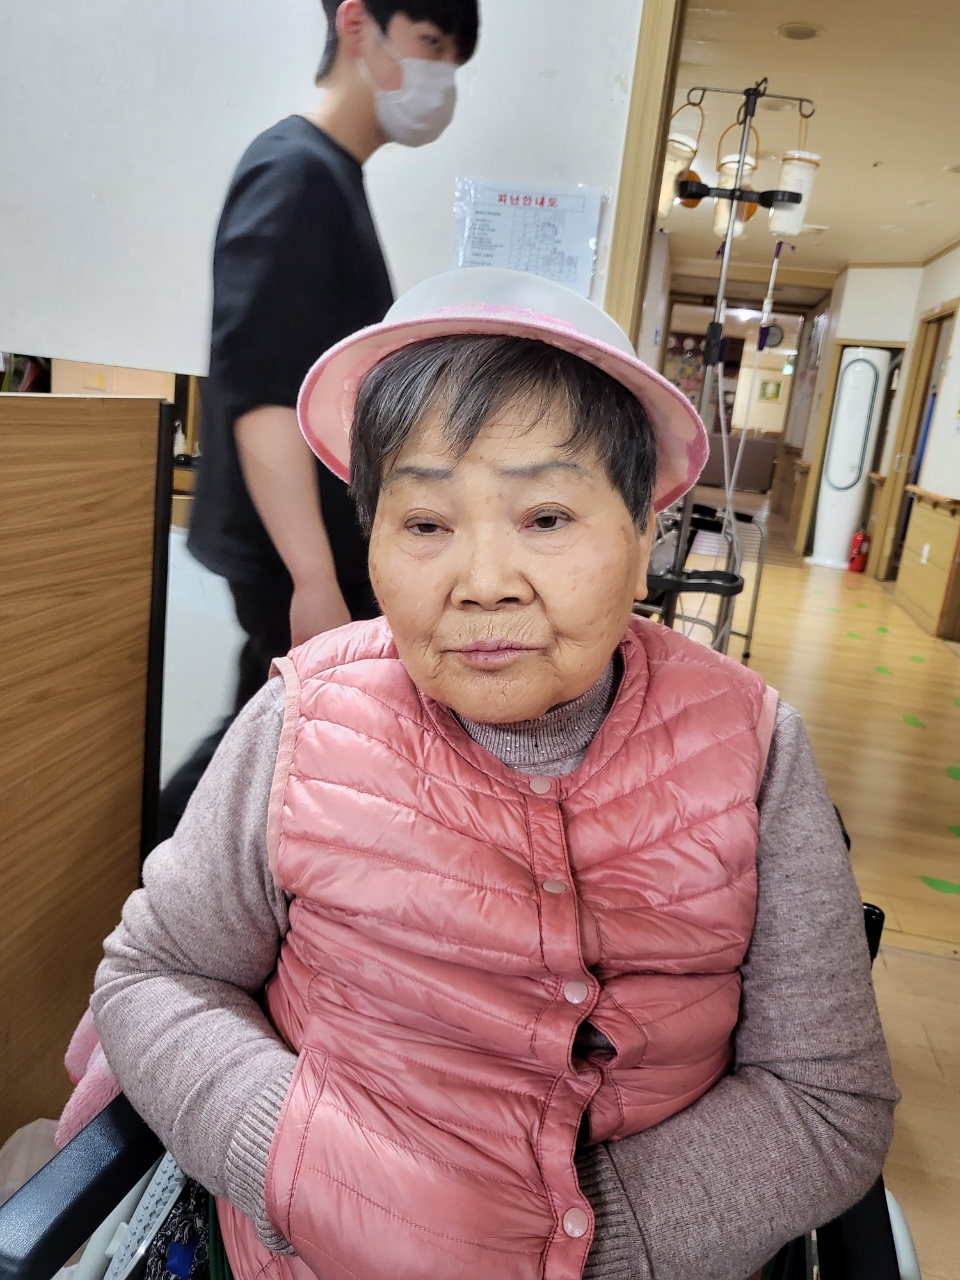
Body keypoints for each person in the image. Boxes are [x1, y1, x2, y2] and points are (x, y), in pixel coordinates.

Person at [92, 269, 898, 1280]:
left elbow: (828, 1101)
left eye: (547, 518)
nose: (482, 583)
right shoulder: (301, 716)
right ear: (373, 540)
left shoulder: (757, 745)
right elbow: (159, 975)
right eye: (425, 524)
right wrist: (308, 1170)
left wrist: (562, 1246)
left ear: (643, 536)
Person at [159, 0, 480, 839]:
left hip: (316, 544)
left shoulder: (330, 176)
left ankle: (164, 876)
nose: (441, 76)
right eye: (431, 43)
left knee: (270, 744)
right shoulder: (295, 172)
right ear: (355, 24)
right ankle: (155, 882)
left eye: (454, 59)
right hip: (292, 548)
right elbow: (262, 390)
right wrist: (313, 580)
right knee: (265, 750)